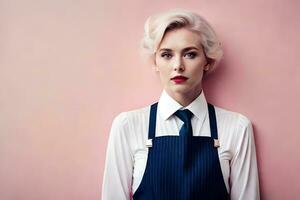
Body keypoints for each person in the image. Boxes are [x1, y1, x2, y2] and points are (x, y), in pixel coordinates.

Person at [102, 8, 260, 200]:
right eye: (167, 55)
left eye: (190, 54)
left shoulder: (237, 127)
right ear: (155, 63)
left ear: (207, 62)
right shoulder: (128, 125)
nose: (178, 65)